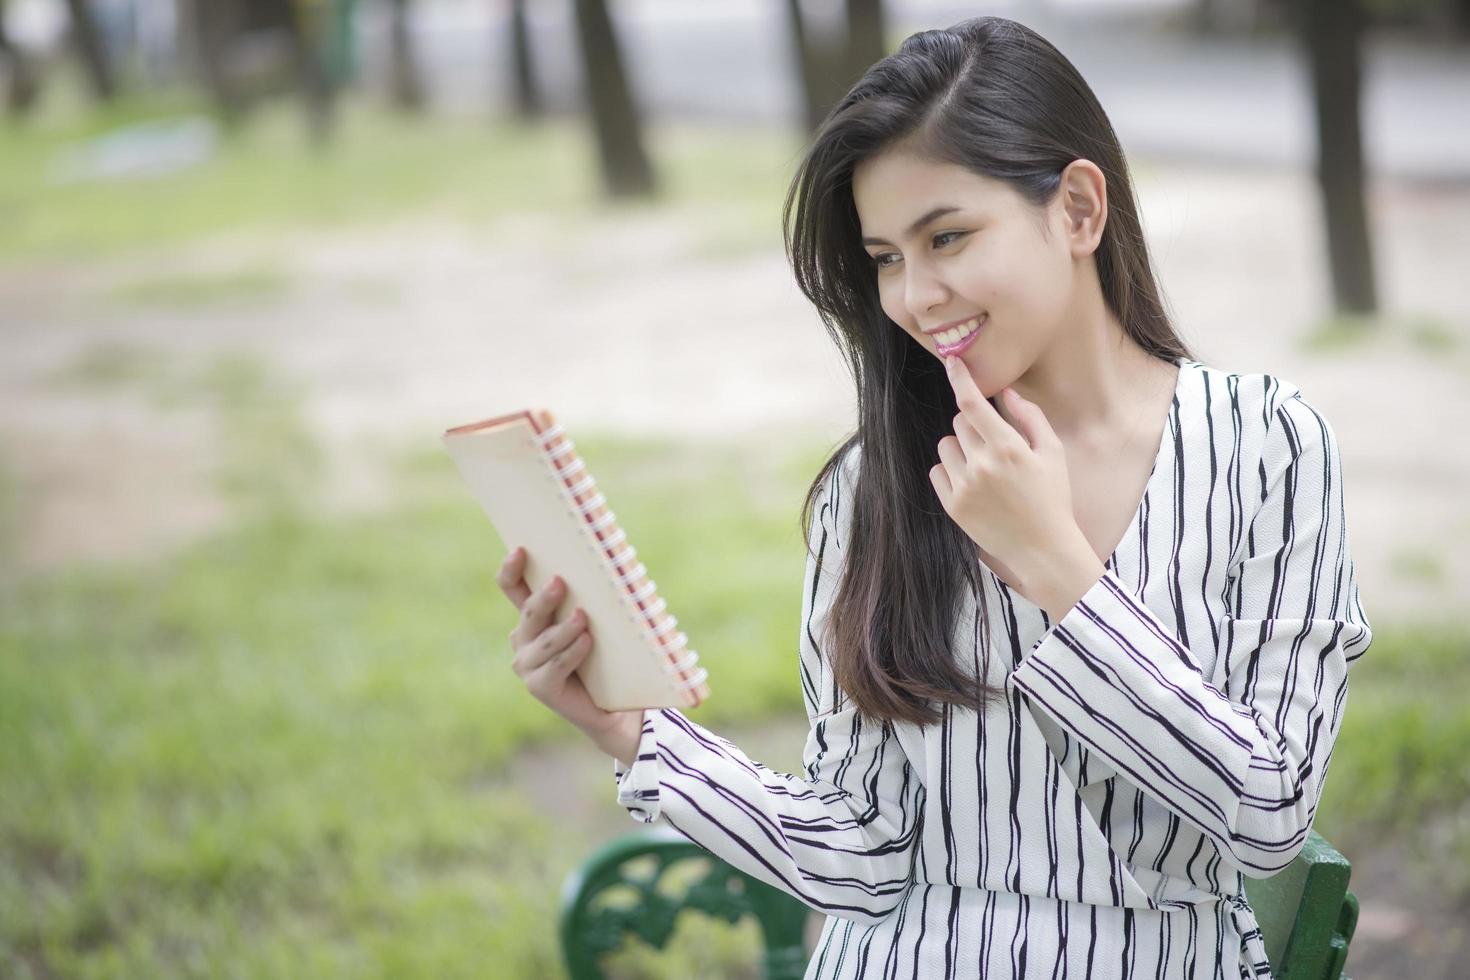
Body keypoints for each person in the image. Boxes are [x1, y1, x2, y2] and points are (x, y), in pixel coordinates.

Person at [495, 15, 1373, 979]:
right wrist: (630, 734)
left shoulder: (1265, 447)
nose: (915, 296)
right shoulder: (872, 487)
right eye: (884, 258)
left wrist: (1057, 568)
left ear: (1079, 209)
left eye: (946, 236)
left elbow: (1269, 816)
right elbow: (862, 855)